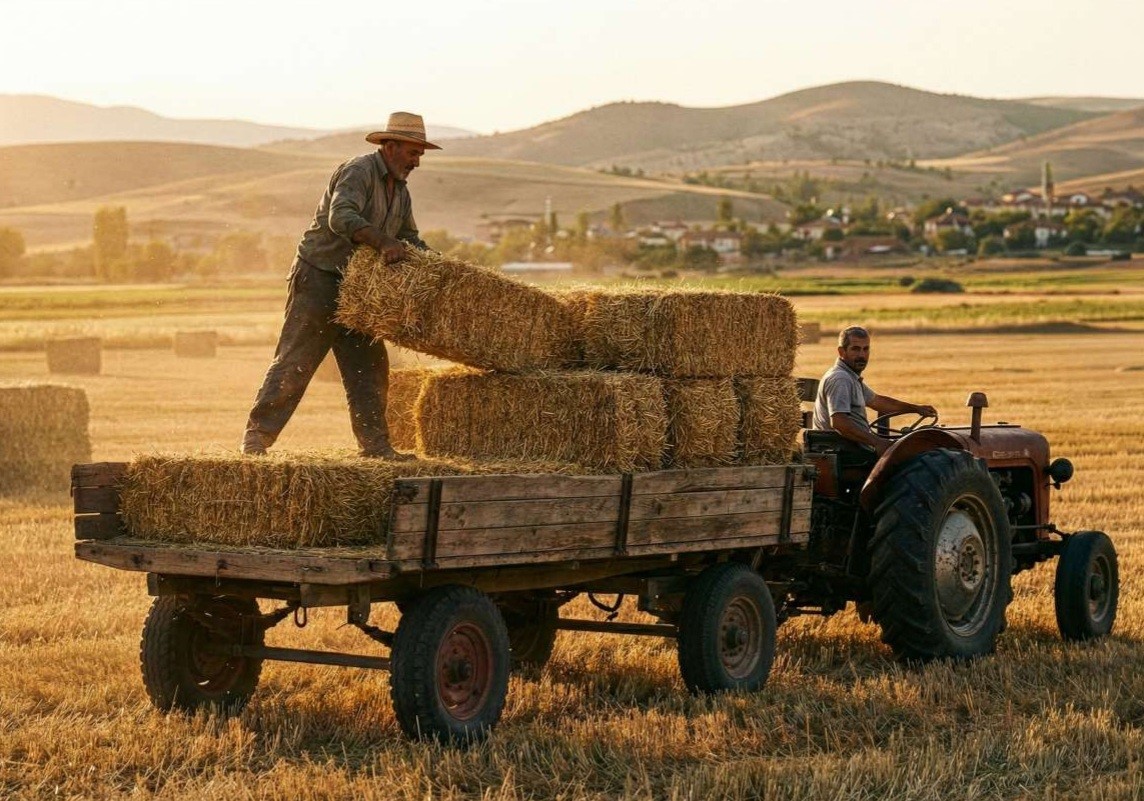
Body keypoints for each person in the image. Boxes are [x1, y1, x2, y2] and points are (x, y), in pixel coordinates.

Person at [241, 112, 440, 458]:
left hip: (358, 292)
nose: (417, 162)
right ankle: (256, 437)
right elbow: (341, 217)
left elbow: (408, 238)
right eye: (413, 153)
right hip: (319, 276)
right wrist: (383, 241)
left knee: (369, 368)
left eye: (420, 154)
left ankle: (375, 446)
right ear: (390, 146)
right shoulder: (358, 171)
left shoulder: (401, 192)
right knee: (296, 361)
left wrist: (440, 267)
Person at [812, 325, 937, 457]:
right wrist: (877, 442)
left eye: (866, 349)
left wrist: (916, 408)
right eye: (855, 349)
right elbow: (839, 423)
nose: (862, 355)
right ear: (841, 352)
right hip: (844, 453)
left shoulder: (849, 376)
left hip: (849, 449)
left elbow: (878, 402)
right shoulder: (841, 379)